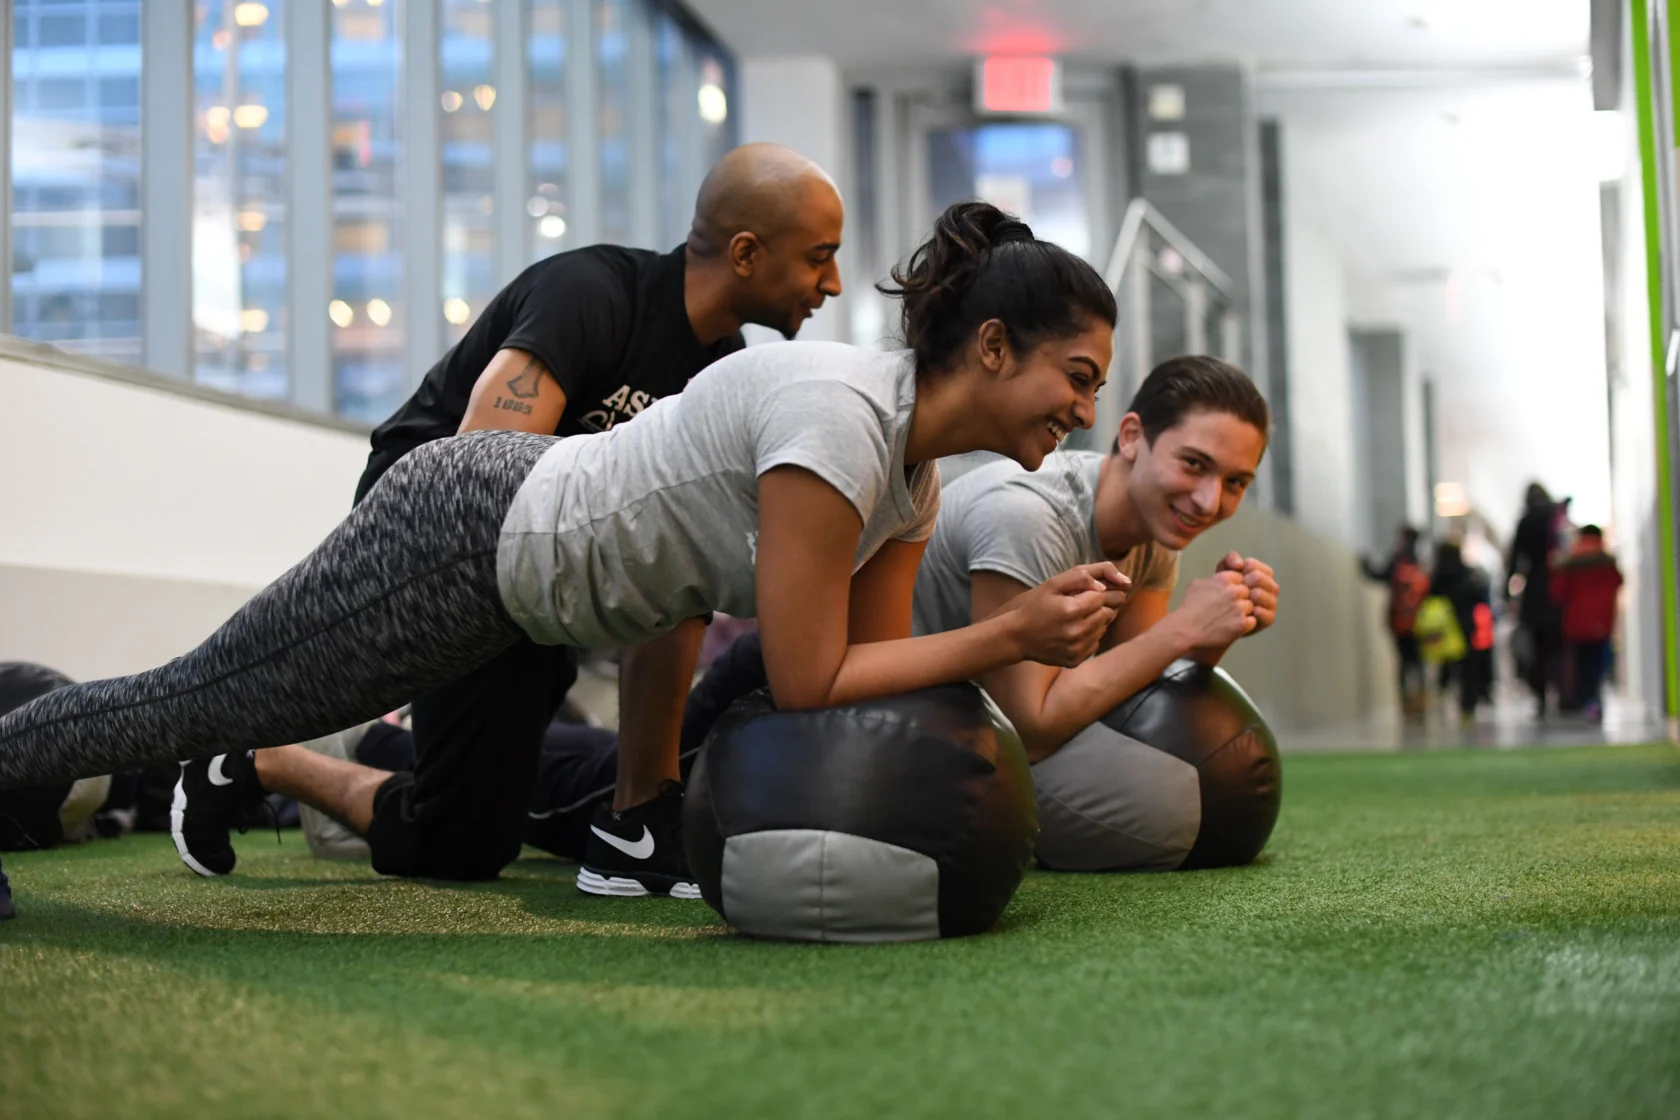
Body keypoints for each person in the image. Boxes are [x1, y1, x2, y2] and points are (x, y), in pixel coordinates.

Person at [0, 201, 1130, 904]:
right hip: (459, 536)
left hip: (521, 592)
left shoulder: (913, 485)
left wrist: (654, 804)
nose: (1083, 410)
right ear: (991, 347)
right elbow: (808, 676)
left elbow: (869, 687)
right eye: (1077, 377)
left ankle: (266, 760)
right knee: (197, 699)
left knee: (457, 839)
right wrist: (1013, 635)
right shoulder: (841, 420)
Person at [167, 142, 847, 893]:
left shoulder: (721, 374)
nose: (835, 284)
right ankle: (254, 752)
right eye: (820, 258)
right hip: (433, 540)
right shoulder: (589, 294)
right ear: (747, 253)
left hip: (544, 577)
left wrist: (644, 804)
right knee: (439, 821)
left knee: (459, 843)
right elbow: (474, 484)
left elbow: (673, 571)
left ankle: (637, 817)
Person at [909, 356, 1276, 761]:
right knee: (1157, 791)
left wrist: (1214, 631)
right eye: (1193, 464)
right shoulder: (1030, 513)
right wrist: (1186, 627)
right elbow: (1025, 732)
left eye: (1235, 482)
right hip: (907, 733)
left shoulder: (1156, 526)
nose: (1208, 502)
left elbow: (1137, 695)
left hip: (979, 731)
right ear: (1132, 436)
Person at [1550, 525, 1622, 722]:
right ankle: (1594, 700)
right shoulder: (1607, 562)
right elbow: (1618, 582)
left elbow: (1558, 593)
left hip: (1577, 622)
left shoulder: (1571, 563)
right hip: (1603, 621)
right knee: (1598, 663)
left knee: (1580, 665)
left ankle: (1585, 700)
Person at [1507, 482, 1564, 717]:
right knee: (1557, 646)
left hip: (1534, 591)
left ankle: (1540, 696)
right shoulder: (1557, 517)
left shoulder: (1525, 521)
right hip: (1557, 587)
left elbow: (1514, 559)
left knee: (1537, 649)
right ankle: (1560, 692)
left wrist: (1507, 592)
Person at [1363, 525, 1430, 719]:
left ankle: (1405, 704)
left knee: (1402, 662)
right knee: (1417, 662)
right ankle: (1421, 701)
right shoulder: (1421, 562)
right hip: (1418, 622)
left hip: (1399, 622)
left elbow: (1378, 575)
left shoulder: (1397, 560)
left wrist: (1364, 563)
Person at [1423, 540, 1493, 722]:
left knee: (1446, 667)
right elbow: (1480, 599)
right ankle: (1467, 708)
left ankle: (1441, 700)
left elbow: (1428, 601)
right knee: (1468, 670)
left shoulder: (1437, 578)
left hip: (1445, 630)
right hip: (1465, 627)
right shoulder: (1468, 574)